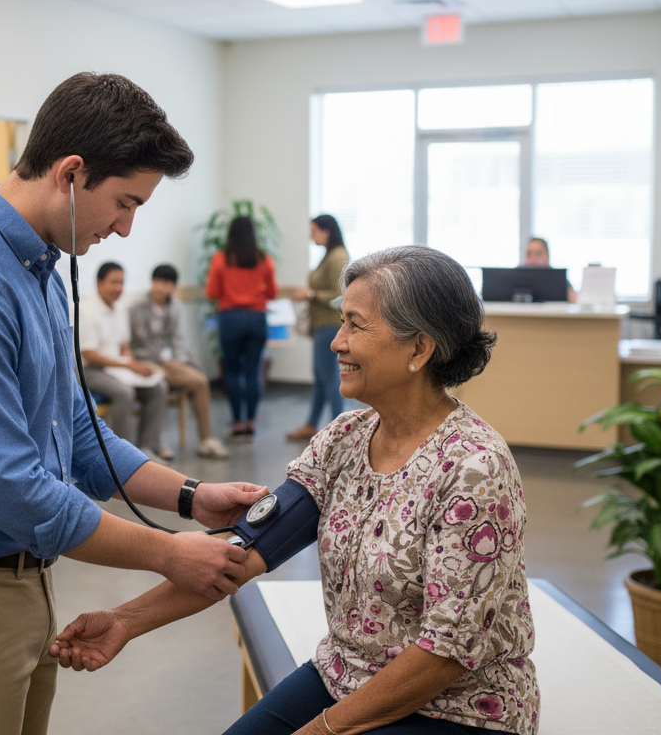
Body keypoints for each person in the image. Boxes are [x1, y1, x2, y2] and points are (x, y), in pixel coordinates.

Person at [0, 71, 268, 735]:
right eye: (124, 202)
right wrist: (169, 555)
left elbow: (79, 434)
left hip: (18, 581)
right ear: (71, 173)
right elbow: (12, 490)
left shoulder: (40, 271)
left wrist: (191, 496)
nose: (127, 227)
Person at [52, 245, 539, 735]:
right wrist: (125, 620)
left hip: (458, 706)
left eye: (356, 324)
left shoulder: (474, 468)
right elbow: (242, 553)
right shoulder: (343, 441)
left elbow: (444, 655)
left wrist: (321, 730)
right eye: (341, 322)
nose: (337, 342)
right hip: (346, 674)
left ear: (419, 348)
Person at [126, 263, 230, 459]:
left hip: (169, 362)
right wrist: (160, 360)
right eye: (157, 281)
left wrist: (177, 359)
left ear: (173, 286)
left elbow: (179, 338)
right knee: (160, 383)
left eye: (166, 283)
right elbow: (132, 344)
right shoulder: (136, 308)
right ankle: (156, 443)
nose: (160, 287)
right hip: (145, 360)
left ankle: (207, 440)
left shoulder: (175, 307)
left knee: (200, 381)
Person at [77, 261, 171, 460]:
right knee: (124, 393)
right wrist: (127, 364)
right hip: (90, 370)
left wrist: (134, 365)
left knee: (158, 387)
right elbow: (89, 354)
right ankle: (123, 455)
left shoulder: (119, 309)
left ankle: (148, 447)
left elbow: (124, 346)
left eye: (121, 282)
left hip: (116, 368)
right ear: (99, 282)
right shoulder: (86, 310)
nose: (118, 288)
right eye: (113, 282)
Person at [205, 215, 277, 438]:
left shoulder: (220, 259)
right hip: (257, 319)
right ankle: (251, 422)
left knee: (233, 372)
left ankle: (237, 423)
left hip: (231, 319)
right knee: (254, 370)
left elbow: (211, 293)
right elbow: (273, 293)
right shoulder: (264, 259)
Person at [287, 214, 350, 442]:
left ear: (326, 231)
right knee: (322, 376)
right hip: (322, 325)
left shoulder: (338, 257)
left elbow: (341, 297)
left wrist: (312, 294)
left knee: (330, 377)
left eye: (314, 230)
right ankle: (312, 423)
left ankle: (340, 428)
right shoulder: (330, 255)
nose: (310, 235)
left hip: (331, 325)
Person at [522, 237, 577, 302]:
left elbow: (574, 300)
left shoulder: (559, 278)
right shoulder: (516, 278)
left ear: (547, 255)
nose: (533, 258)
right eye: (529, 254)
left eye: (538, 254)